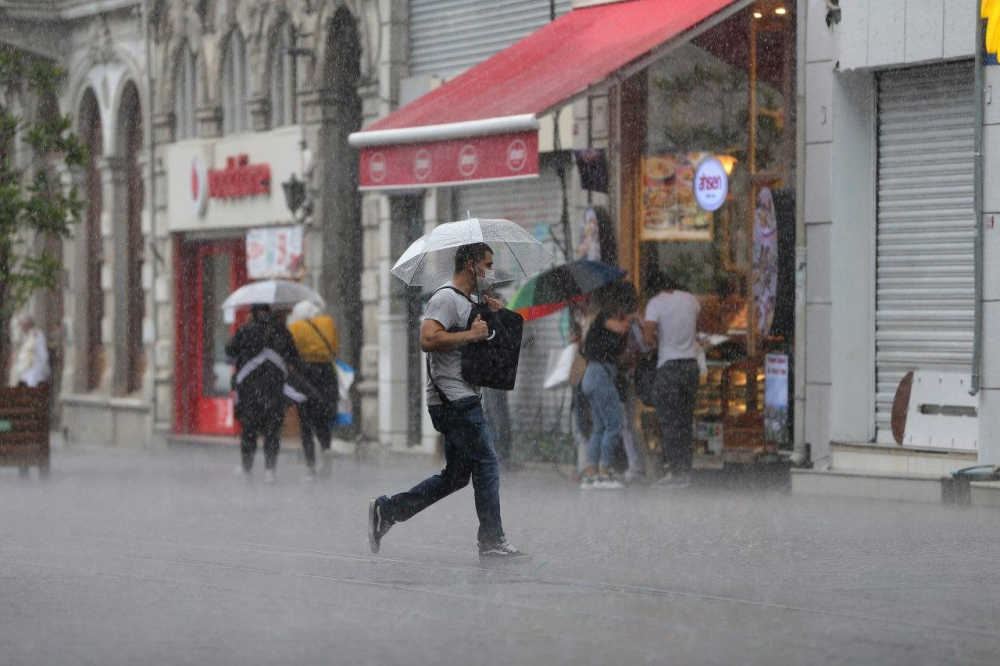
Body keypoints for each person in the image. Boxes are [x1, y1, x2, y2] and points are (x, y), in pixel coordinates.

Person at [368, 242, 529, 560]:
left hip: (461, 397)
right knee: (487, 463)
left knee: (457, 475)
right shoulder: (444, 297)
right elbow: (428, 339)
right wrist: (471, 334)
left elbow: (479, 341)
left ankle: (387, 510)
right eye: (488, 264)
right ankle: (492, 538)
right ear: (471, 265)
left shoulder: (469, 300)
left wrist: (492, 316)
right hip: (453, 399)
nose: (491, 271)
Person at [225, 303, 299, 483]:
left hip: (249, 391)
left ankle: (247, 467)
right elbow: (294, 356)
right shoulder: (281, 330)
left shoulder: (245, 329)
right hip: (274, 390)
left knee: (249, 432)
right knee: (272, 431)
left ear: (253, 312)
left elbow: (229, 350)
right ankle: (269, 469)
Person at [643, 272, 701, 488]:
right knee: (685, 420)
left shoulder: (655, 304)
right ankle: (685, 470)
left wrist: (656, 340)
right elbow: (698, 329)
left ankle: (674, 472)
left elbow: (648, 338)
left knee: (669, 421)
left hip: (669, 367)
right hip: (690, 366)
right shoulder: (690, 299)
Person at [579, 282, 638, 490]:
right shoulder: (603, 317)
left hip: (592, 376)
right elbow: (621, 327)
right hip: (600, 377)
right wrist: (632, 317)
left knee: (599, 427)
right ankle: (604, 473)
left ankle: (591, 473)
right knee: (614, 425)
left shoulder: (596, 324)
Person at [286, 300, 339, 480]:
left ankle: (311, 468)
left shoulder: (295, 327)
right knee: (323, 417)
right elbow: (335, 348)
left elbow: (291, 352)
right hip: (327, 372)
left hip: (306, 374)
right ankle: (326, 448)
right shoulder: (328, 322)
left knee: (306, 423)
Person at [10, 314, 50, 388]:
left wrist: (42, 370)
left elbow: (43, 355)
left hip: (35, 373)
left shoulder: (37, 335)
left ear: (26, 325)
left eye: (22, 325)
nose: (21, 328)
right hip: (26, 373)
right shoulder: (28, 336)